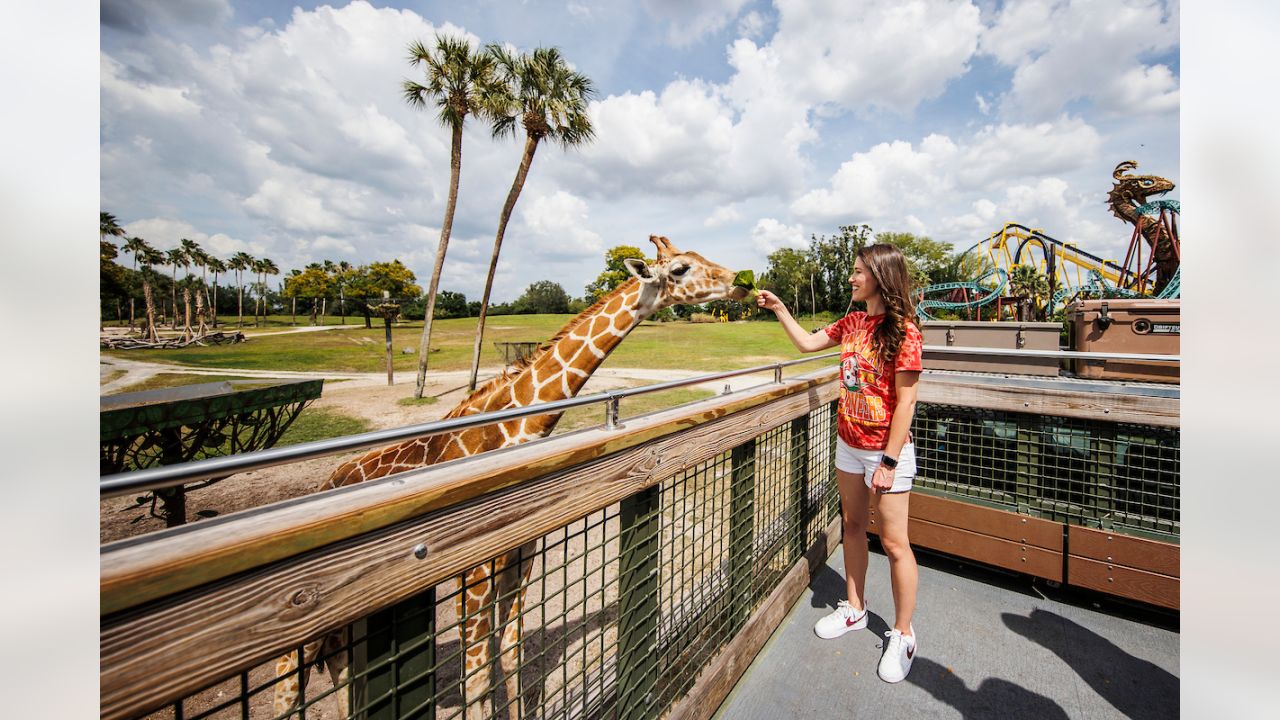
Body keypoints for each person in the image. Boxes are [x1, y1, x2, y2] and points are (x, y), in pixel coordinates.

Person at [756, 242, 923, 683]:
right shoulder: (851, 322)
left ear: (881, 276)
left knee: (893, 544)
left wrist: (888, 460)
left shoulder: (904, 330)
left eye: (857, 271)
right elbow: (808, 344)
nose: (851, 278)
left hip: (886, 452)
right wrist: (778, 308)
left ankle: (904, 635)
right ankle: (855, 608)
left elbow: (906, 403)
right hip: (848, 445)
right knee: (851, 525)